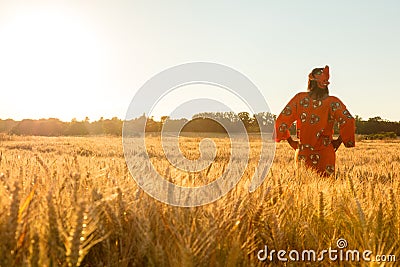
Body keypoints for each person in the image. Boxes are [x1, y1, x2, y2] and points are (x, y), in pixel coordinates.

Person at [274, 65, 355, 176]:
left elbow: (281, 122)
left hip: (303, 152)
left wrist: (291, 141)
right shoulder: (333, 102)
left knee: (302, 189)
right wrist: (339, 141)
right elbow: (348, 121)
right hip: (326, 153)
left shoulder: (299, 99)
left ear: (310, 82)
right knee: (327, 190)